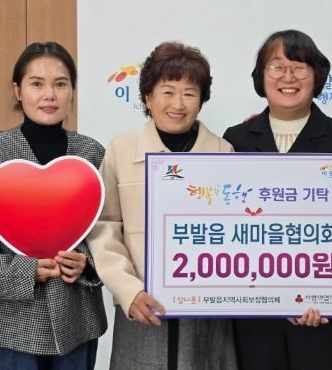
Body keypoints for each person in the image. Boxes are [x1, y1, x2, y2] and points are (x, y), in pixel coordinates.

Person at [0, 41, 107, 370]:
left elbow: (113, 233)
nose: (49, 95)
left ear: (72, 92)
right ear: (17, 91)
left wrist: (88, 264)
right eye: (37, 84)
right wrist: (23, 271)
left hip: (75, 324)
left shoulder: (92, 154)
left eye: (60, 84)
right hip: (3, 324)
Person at [223, 29, 332, 370]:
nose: (288, 77)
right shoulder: (236, 140)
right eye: (277, 66)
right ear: (261, 76)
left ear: (316, 76)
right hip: (254, 312)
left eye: (299, 67)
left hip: (323, 311)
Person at [86, 42, 237, 370]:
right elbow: (104, 228)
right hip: (141, 308)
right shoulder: (121, 149)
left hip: (206, 316)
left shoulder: (224, 152)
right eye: (168, 92)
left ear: (201, 100)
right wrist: (129, 291)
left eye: (189, 93)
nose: (178, 104)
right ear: (148, 97)